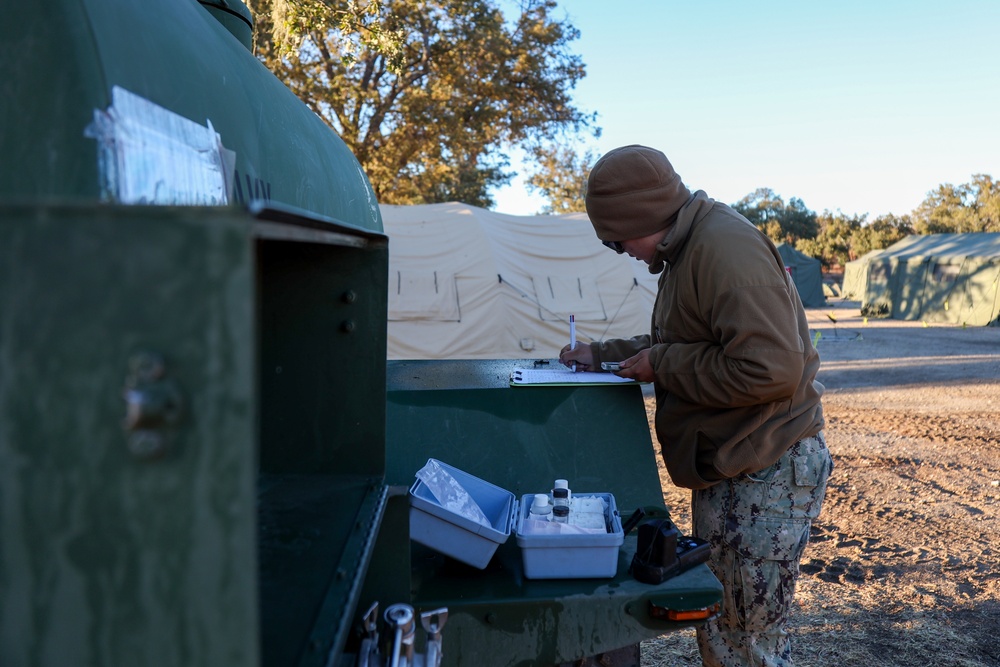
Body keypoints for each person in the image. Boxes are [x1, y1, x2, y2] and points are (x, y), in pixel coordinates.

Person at [559, 145, 832, 667]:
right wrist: (605, 354)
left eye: (617, 241)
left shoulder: (724, 249)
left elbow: (771, 370)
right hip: (737, 466)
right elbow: (691, 340)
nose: (622, 252)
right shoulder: (690, 249)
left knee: (746, 643)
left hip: (764, 471)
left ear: (641, 217)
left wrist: (662, 365)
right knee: (727, 632)